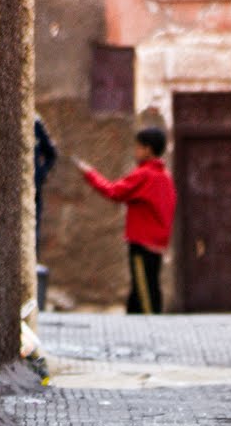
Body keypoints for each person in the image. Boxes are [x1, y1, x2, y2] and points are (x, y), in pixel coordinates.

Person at [73, 128, 177, 314]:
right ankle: (135, 324)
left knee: (143, 290)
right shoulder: (165, 177)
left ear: (147, 149)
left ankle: (150, 326)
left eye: (137, 147)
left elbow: (114, 191)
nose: (135, 152)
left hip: (141, 242)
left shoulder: (144, 175)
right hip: (157, 243)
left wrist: (90, 174)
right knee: (148, 284)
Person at [34, 115, 57, 257]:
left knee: (33, 230)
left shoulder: (35, 122)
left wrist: (40, 174)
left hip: (33, 189)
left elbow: (52, 153)